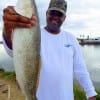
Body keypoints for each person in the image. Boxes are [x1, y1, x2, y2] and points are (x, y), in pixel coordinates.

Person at [2, 0, 97, 100]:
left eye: (59, 14)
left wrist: (90, 92)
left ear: (64, 18)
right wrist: (7, 30)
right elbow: (12, 52)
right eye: (52, 12)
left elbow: (80, 69)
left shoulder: (71, 39)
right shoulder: (33, 32)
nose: (55, 17)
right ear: (46, 13)